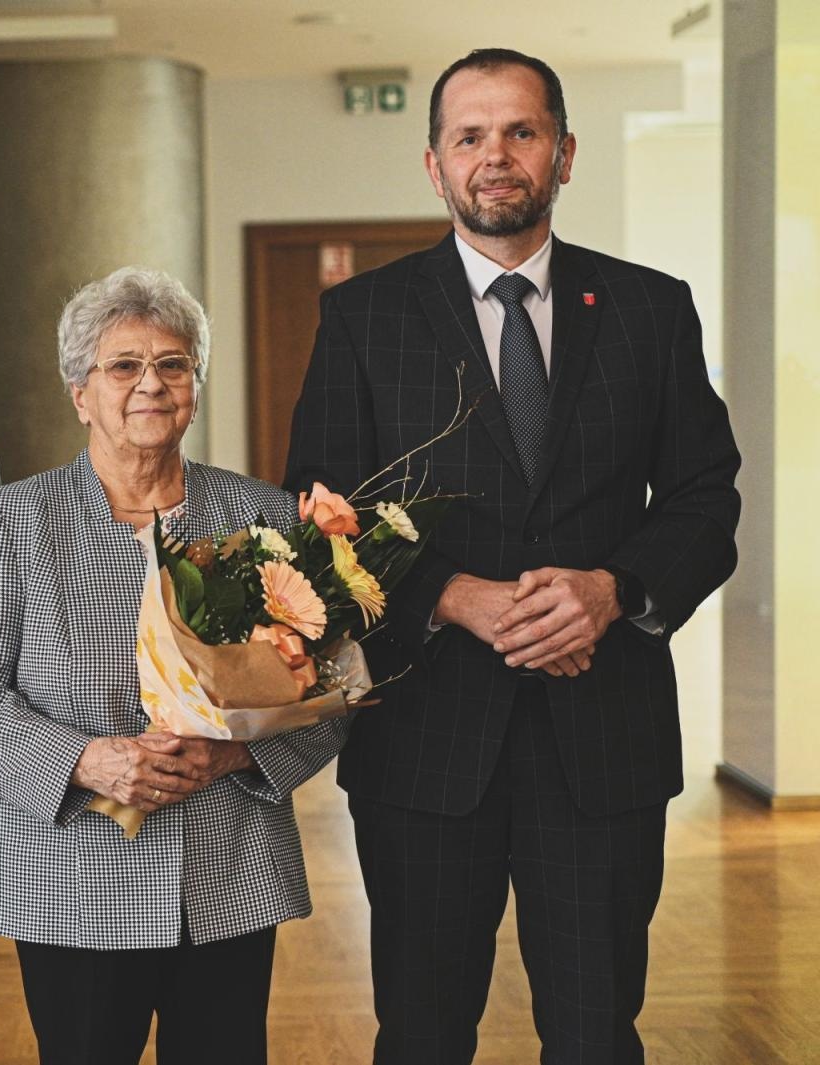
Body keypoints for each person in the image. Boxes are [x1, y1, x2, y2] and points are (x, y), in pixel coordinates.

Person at [284, 48, 741, 1064]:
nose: (496, 156)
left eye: (521, 132)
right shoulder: (363, 317)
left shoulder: (649, 310)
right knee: (422, 1030)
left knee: (593, 1031)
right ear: (434, 164)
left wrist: (611, 591)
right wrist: (448, 596)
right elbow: (319, 513)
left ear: (563, 154)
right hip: (425, 741)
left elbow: (707, 500)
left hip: (602, 736)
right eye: (469, 137)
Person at [0, 266, 348, 1065]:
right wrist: (88, 759)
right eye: (123, 365)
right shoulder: (10, 520)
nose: (150, 384)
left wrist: (237, 751)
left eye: (173, 364)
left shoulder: (265, 513)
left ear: (195, 385)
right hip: (69, 875)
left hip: (228, 871)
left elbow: (336, 689)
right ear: (79, 392)